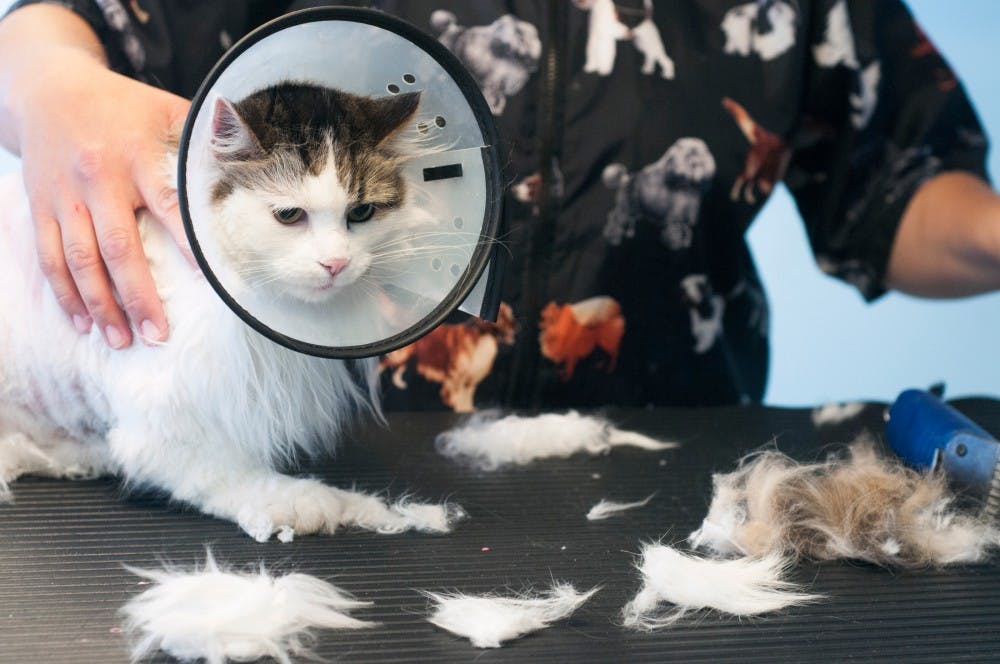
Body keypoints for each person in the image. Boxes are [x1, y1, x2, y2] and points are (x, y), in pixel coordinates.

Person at [1, 1, 998, 411]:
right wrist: (50, 84)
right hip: (324, 453)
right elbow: (64, 28)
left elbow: (891, 188)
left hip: (671, 461)